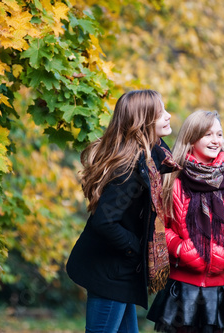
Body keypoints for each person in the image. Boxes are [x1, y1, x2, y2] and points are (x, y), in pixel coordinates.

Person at [66, 90, 179, 333]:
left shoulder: (149, 157)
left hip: (122, 270)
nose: (168, 116)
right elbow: (105, 222)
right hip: (110, 271)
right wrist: (136, 248)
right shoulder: (129, 171)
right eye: (161, 113)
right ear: (143, 121)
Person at [147, 110, 224, 333]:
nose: (216, 140)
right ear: (191, 138)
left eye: (219, 134)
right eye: (208, 134)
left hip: (223, 290)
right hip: (181, 289)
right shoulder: (171, 177)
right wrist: (179, 249)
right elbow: (158, 225)